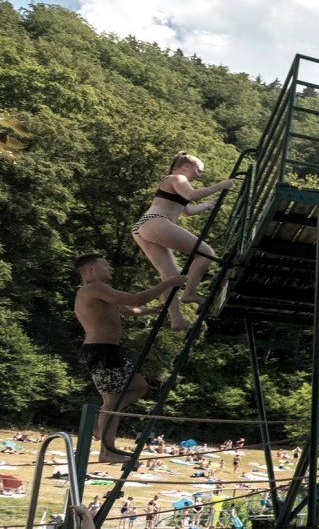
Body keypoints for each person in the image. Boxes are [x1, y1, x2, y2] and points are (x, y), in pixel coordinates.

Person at [74, 254, 187, 463]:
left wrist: (152, 310)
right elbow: (136, 298)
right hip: (100, 352)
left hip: (107, 352)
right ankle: (106, 449)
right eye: (105, 264)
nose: (110, 268)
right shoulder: (94, 288)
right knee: (112, 401)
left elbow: (129, 309)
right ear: (90, 269)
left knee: (139, 385)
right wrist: (167, 283)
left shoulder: (100, 293)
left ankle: (104, 419)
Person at [131, 152, 236, 320]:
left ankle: (177, 320)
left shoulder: (174, 182)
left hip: (144, 225)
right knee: (206, 253)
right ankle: (189, 293)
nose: (199, 175)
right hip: (155, 221)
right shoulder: (178, 178)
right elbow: (191, 196)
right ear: (186, 166)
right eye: (198, 170)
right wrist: (220, 185)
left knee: (170, 277)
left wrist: (213, 202)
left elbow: (187, 211)